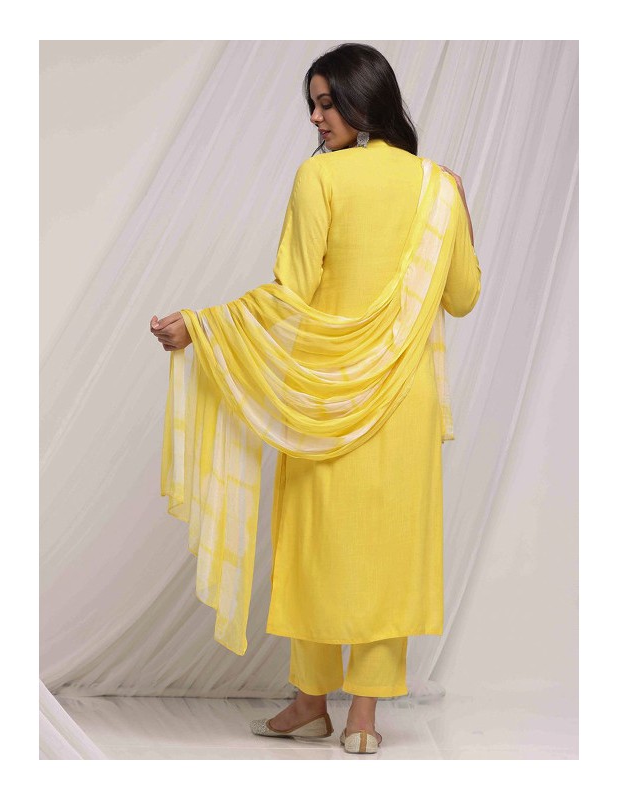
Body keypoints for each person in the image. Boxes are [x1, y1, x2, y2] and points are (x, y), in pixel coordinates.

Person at [150, 43, 481, 754]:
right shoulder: (438, 186)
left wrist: (203, 326)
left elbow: (290, 294)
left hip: (326, 394)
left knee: (313, 546)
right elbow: (463, 296)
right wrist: (458, 203)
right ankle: (361, 718)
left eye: (327, 102)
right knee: (387, 548)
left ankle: (313, 703)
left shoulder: (319, 176)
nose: (316, 116)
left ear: (366, 100)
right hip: (405, 396)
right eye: (313, 103)